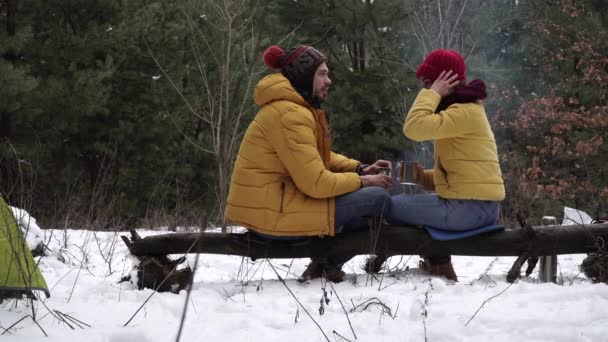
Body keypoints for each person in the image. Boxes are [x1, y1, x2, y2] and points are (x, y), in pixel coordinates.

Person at [225, 44, 393, 282]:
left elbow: (316, 157)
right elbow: (316, 182)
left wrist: (359, 168)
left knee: (366, 200)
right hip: (274, 215)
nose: (329, 80)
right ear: (304, 76)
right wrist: (363, 181)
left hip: (274, 207)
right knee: (378, 199)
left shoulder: (292, 108)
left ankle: (326, 262)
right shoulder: (290, 114)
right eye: (322, 73)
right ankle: (328, 263)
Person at [389, 49, 505, 281]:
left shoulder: (463, 111)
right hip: (478, 207)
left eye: (427, 83)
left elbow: (413, 127)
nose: (424, 89)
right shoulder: (465, 109)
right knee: (410, 207)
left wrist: (432, 93)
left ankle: (438, 264)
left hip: (469, 210)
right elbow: (462, 179)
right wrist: (424, 178)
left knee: (388, 206)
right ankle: (440, 265)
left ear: (442, 81)